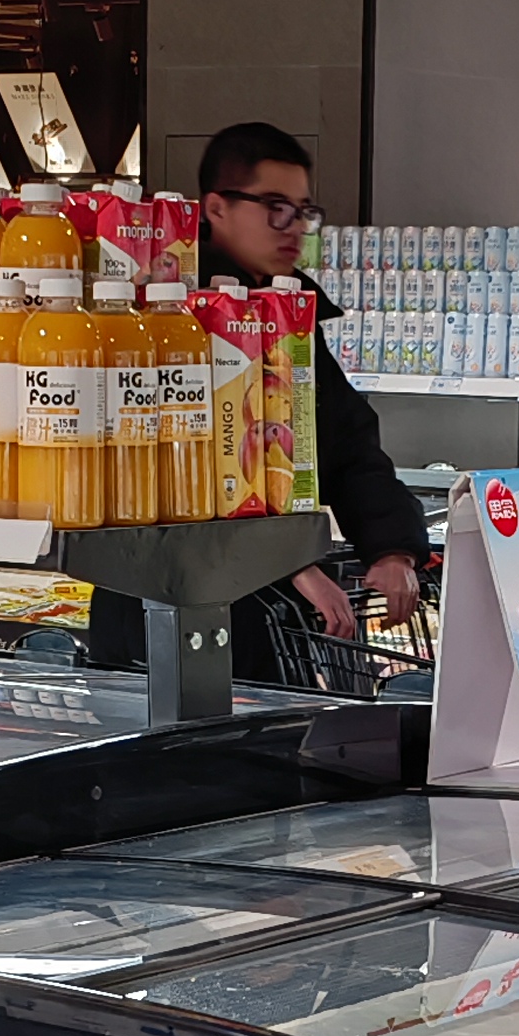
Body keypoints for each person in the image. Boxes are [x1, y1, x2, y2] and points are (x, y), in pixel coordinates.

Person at [83, 121, 428, 683]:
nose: (293, 228)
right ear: (216, 207)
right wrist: (291, 565)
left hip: (264, 618)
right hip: (156, 610)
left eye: (303, 211)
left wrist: (393, 549)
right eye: (274, 207)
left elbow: (346, 444)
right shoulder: (158, 319)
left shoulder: (286, 318)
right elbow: (173, 479)